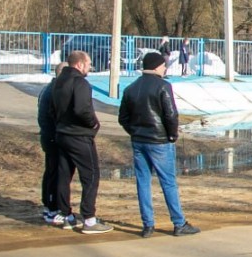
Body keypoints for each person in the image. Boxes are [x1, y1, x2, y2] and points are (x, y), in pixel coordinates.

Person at [118, 51, 200, 238]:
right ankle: (179, 223)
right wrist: (172, 135)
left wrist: (135, 131)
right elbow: (171, 114)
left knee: (143, 183)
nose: (165, 69)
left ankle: (148, 225)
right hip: (159, 142)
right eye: (163, 65)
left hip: (139, 141)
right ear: (156, 66)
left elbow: (123, 117)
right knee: (168, 182)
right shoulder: (163, 86)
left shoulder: (130, 88)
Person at [51, 50, 112, 234]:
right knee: (91, 175)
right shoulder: (80, 83)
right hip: (79, 136)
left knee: (64, 175)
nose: (90, 67)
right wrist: (93, 123)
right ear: (79, 64)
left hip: (62, 133)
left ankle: (65, 214)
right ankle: (89, 219)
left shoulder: (58, 82)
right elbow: (82, 109)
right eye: (88, 64)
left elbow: (53, 109)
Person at [37, 61, 66, 224]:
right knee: (54, 173)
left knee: (51, 172)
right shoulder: (54, 91)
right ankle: (51, 207)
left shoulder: (50, 88)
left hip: (48, 136)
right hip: (52, 137)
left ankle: (50, 206)